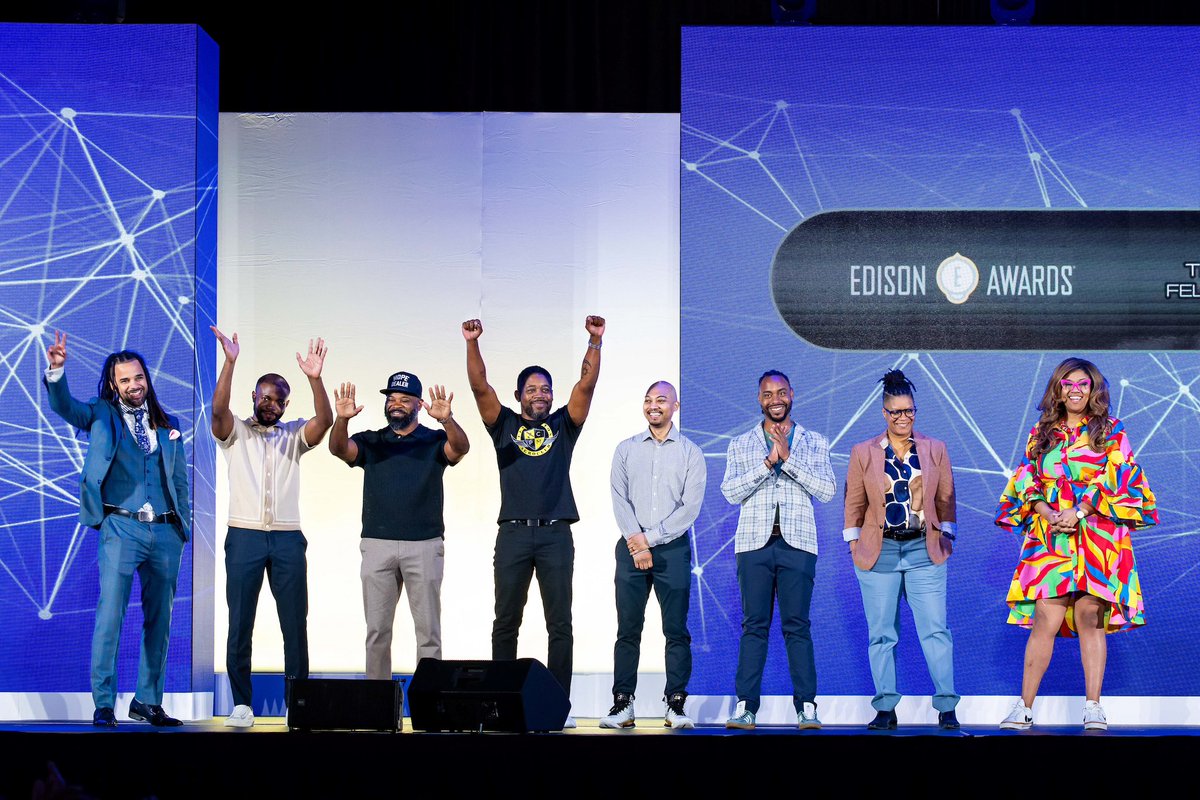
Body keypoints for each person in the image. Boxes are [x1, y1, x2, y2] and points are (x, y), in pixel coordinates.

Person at [995, 357, 1157, 731]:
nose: (1075, 390)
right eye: (1067, 383)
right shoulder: (1042, 432)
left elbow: (1121, 475)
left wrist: (1080, 510)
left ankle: (1093, 707)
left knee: (1089, 616)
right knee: (1045, 617)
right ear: (1058, 389)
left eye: (1083, 384)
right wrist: (1046, 511)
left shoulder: (1112, 430)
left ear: (1093, 389)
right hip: (1051, 533)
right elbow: (1026, 479)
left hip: (1098, 533)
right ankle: (1024, 707)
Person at [462, 315, 605, 728]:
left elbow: (586, 386)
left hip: (555, 534)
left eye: (545, 389)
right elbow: (479, 387)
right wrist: (472, 343)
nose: (540, 395)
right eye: (532, 389)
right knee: (506, 622)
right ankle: (500, 703)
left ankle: (558, 705)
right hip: (513, 534)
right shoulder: (504, 425)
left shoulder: (563, 425)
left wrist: (594, 341)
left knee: (560, 625)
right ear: (518, 396)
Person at [44, 332, 191, 727]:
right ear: (113, 384)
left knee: (160, 622)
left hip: (165, 532)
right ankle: (104, 703)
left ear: (147, 379)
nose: (133, 385)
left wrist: (183, 526)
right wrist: (56, 372)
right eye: (124, 380)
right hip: (121, 527)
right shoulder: (100, 414)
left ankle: (148, 701)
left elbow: (179, 480)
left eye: (138, 377)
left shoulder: (170, 425)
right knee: (110, 616)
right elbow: (65, 406)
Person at [210, 327, 333, 728]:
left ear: (285, 404)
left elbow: (325, 420)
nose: (270, 405)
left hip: (287, 539)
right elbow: (217, 412)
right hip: (243, 536)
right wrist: (230, 363)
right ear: (253, 396)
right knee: (240, 622)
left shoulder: (293, 433)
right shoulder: (235, 432)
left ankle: (298, 704)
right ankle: (241, 704)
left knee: (295, 624)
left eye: (278, 400)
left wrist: (315, 379)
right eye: (264, 397)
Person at [327, 373, 469, 679]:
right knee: (377, 632)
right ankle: (377, 702)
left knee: (428, 633)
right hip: (378, 545)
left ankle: (428, 701)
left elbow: (460, 448)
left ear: (419, 404)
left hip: (424, 545)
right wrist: (342, 420)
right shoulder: (372, 441)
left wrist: (447, 420)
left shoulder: (434, 440)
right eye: (391, 399)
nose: (396, 404)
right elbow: (339, 449)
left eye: (405, 399)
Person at [843, 369, 959, 730]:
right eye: (896, 412)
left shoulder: (934, 448)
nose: (903, 417)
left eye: (909, 410)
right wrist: (854, 544)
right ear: (884, 413)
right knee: (882, 634)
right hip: (879, 554)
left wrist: (946, 535)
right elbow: (854, 502)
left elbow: (946, 497)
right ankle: (885, 708)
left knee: (935, 630)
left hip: (925, 551)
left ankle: (947, 707)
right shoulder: (863, 452)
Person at [722, 370, 835, 730]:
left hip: (798, 544)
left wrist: (789, 460)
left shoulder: (815, 441)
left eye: (781, 393)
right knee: (754, 626)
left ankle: (807, 707)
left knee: (797, 626)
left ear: (792, 395)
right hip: (753, 545)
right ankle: (745, 706)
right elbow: (730, 492)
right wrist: (769, 462)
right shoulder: (741, 444)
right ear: (759, 399)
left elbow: (827, 490)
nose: (775, 400)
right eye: (768, 394)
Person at [601, 381, 706, 729]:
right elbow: (619, 499)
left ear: (676, 406)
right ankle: (623, 704)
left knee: (676, 630)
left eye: (661, 400)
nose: (653, 405)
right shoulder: (626, 449)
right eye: (648, 400)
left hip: (672, 549)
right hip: (630, 548)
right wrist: (637, 541)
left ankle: (675, 703)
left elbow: (690, 508)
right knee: (627, 629)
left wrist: (649, 539)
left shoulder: (691, 452)